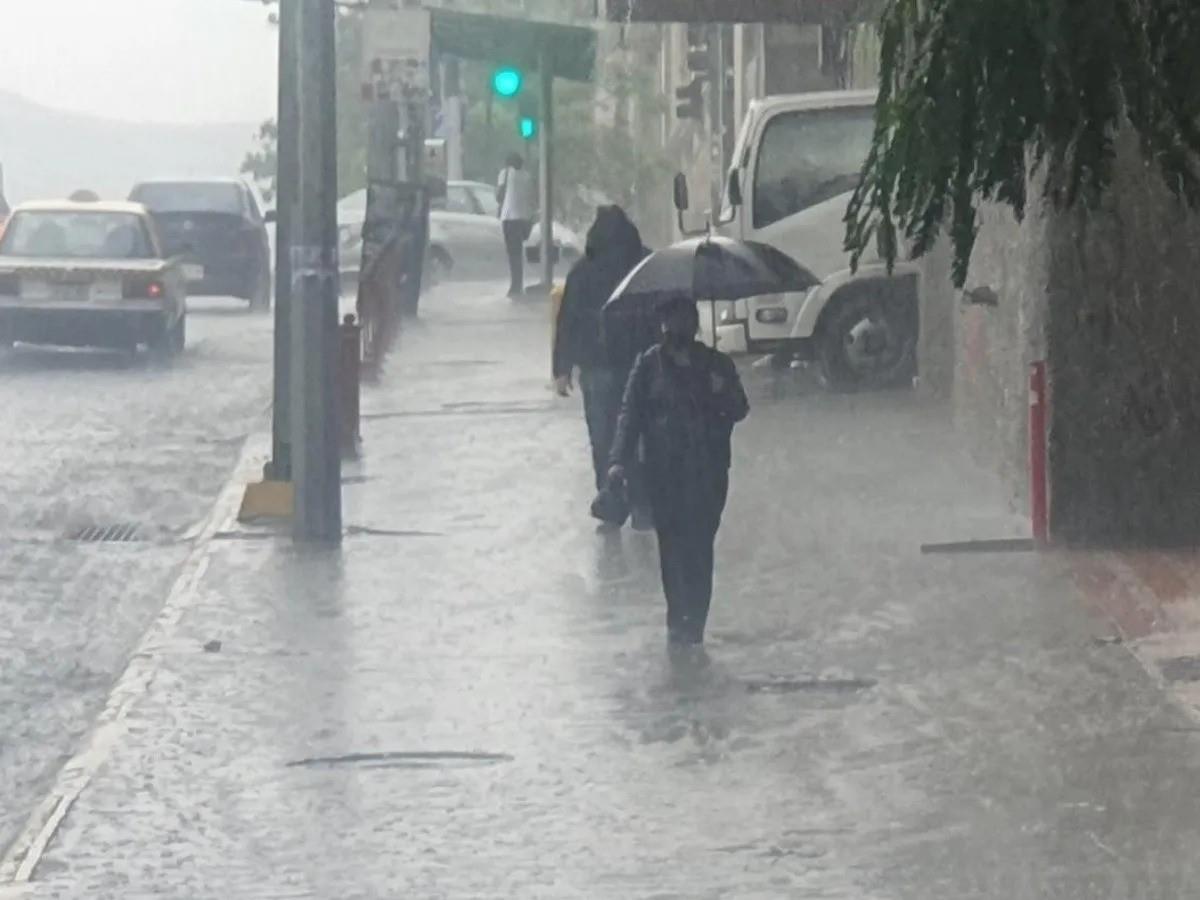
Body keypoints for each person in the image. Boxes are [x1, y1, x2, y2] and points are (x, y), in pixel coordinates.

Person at [608, 295, 749, 646]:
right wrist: (617, 462)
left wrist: (720, 392)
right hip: (663, 474)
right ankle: (677, 626)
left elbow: (739, 409)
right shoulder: (647, 366)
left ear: (695, 324)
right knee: (671, 550)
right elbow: (630, 416)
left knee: (700, 549)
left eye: (682, 321)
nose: (674, 330)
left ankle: (695, 625)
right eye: (668, 323)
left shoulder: (716, 365)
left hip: (708, 474)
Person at [553, 206, 649, 497]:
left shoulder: (582, 271)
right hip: (640, 363)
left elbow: (567, 320)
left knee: (603, 436)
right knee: (640, 433)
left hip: (597, 366)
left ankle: (609, 497)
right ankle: (641, 500)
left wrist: (561, 369)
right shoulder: (646, 264)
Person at [496, 153, 535, 298]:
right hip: (525, 219)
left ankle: (515, 286)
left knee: (513, 253)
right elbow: (532, 197)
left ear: (508, 164)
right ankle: (518, 283)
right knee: (518, 252)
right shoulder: (527, 176)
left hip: (510, 218)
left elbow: (499, 195)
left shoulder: (505, 173)